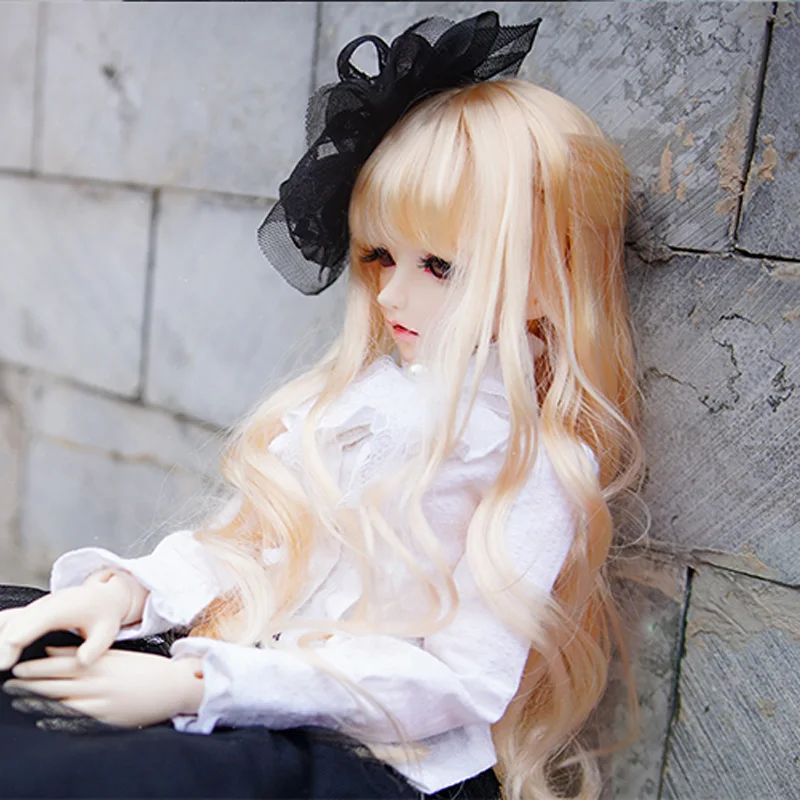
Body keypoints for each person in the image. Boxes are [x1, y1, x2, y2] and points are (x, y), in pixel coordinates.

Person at [0, 11, 643, 800]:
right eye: (381, 256)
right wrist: (116, 592)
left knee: (67, 775)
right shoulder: (360, 405)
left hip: (363, 751)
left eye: (441, 265)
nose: (391, 294)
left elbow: (462, 682)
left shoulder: (530, 461)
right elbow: (252, 550)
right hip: (244, 674)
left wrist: (201, 685)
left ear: (551, 278)